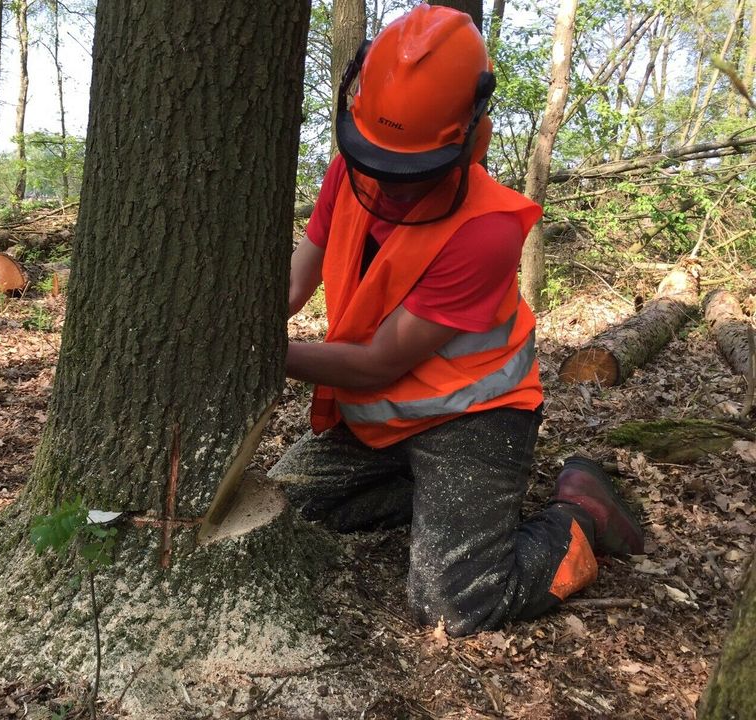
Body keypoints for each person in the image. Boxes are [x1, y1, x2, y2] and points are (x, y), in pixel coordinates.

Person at [270, 4, 644, 637]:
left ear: (471, 139)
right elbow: (296, 282)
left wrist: (254, 349)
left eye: (410, 173)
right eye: (376, 164)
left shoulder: (485, 230)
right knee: (286, 508)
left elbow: (379, 361)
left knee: (456, 604)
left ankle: (579, 515)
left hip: (473, 420)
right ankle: (447, 510)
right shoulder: (351, 169)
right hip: (378, 420)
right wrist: (235, 320)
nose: (389, 187)